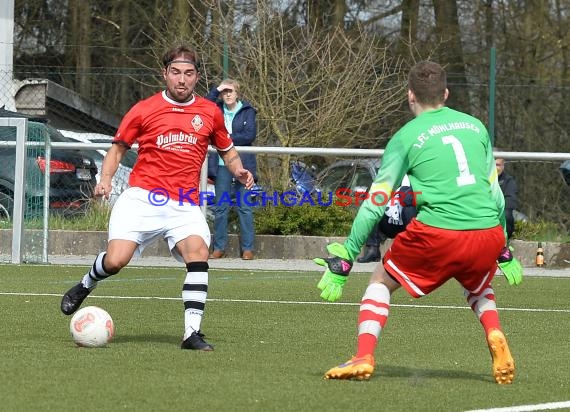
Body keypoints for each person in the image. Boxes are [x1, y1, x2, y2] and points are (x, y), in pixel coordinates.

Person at [314, 61, 523, 383]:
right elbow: (495, 194)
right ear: (446, 93)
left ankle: (363, 355)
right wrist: (503, 247)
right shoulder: (475, 126)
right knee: (478, 285)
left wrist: (347, 255)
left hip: (438, 232)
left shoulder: (405, 136)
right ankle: (494, 332)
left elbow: (375, 203)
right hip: (488, 231)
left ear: (410, 96)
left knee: (381, 280)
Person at [59, 44, 255, 351]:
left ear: (197, 77)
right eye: (175, 73)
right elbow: (118, 148)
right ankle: (86, 283)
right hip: (143, 198)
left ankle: (191, 333)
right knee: (116, 260)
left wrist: (239, 170)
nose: (182, 80)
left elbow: (227, 150)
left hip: (184, 203)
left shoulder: (209, 112)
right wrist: (106, 180)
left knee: (198, 253)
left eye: (189, 74)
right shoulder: (144, 109)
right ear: (165, 74)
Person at [206, 79, 257, 260]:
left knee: (245, 207)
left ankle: (248, 249)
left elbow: (249, 135)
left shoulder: (248, 111)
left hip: (244, 167)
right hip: (221, 166)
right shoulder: (216, 108)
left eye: (231, 91)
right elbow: (203, 107)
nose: (227, 94)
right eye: (224, 91)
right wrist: (216, 89)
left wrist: (223, 138)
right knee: (221, 207)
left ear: (237, 93)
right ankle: (219, 247)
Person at [357, 177, 417, 263]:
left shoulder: (420, 178)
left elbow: (407, 199)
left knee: (410, 205)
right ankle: (373, 249)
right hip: (389, 226)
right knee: (371, 197)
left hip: (410, 226)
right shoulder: (394, 176)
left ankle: (411, 253)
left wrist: (403, 189)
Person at [495, 155, 518, 240]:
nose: (495, 168)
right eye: (493, 165)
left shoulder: (509, 181)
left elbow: (511, 202)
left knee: (507, 214)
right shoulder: (482, 179)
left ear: (503, 166)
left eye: (498, 165)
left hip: (499, 213)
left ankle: (504, 241)